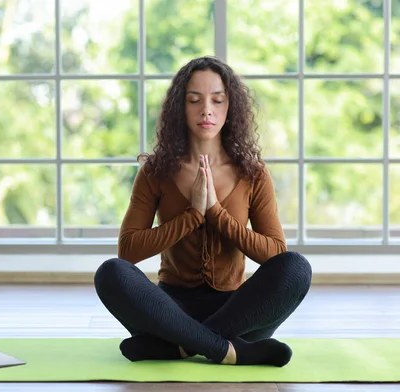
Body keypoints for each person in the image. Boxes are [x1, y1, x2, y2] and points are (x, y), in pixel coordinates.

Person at [93, 56, 312, 367]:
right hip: (168, 309)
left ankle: (179, 347)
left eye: (217, 100)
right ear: (180, 108)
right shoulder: (155, 171)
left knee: (297, 268)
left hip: (237, 311)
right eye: (194, 100)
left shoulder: (253, 173)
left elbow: (275, 253)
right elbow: (127, 251)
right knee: (110, 273)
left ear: (229, 107)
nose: (206, 109)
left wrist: (215, 213)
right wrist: (192, 216)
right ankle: (230, 351)